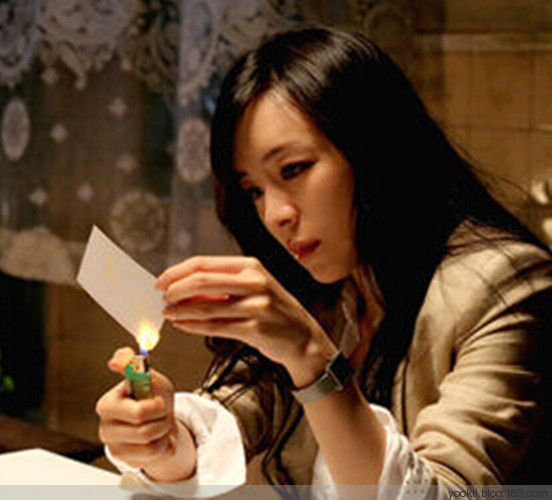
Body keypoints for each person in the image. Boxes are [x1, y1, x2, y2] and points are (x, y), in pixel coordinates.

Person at [95, 26, 552, 497]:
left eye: (293, 169)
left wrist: (312, 358)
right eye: (253, 190)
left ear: (374, 149)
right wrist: (161, 442)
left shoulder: (506, 287)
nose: (274, 215)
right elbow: (235, 415)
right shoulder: (323, 283)